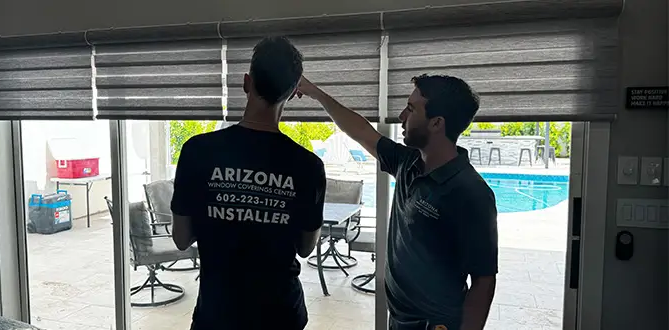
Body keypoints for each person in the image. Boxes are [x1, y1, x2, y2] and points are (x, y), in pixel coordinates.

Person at [296, 75, 498, 330]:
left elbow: (483, 280)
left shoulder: (471, 192)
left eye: (411, 109)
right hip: (400, 319)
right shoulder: (408, 162)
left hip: (435, 325)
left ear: (436, 123)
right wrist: (317, 93)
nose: (401, 116)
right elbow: (359, 130)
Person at [170, 36, 326, 330]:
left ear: (246, 83)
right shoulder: (308, 166)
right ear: (293, 93)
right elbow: (306, 248)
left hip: (217, 315)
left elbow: (181, 239)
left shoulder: (198, 151)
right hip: (281, 316)